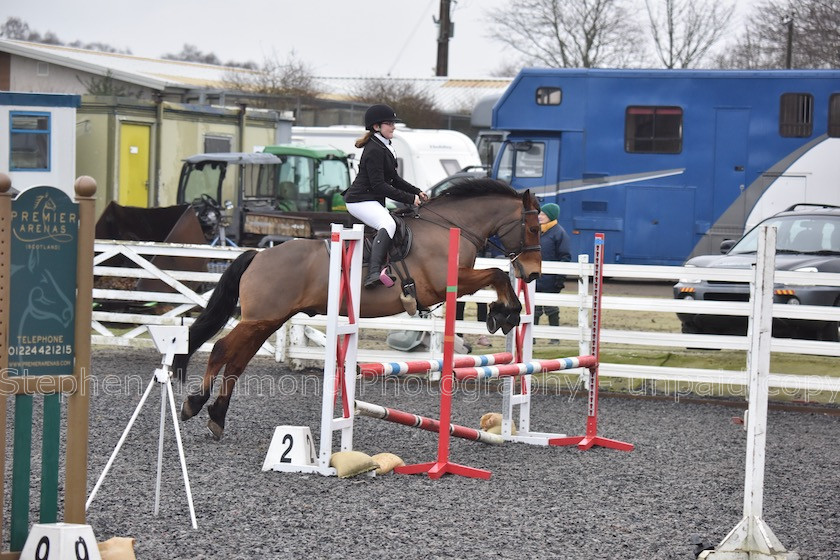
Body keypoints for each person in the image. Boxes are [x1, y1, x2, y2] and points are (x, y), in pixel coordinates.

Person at [343, 103, 429, 288]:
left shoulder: (385, 147)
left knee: (394, 223)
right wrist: (408, 199)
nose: (394, 127)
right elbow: (379, 185)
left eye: (393, 123)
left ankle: (384, 265)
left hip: (370, 199)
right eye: (389, 123)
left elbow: (394, 179)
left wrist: (416, 191)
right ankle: (373, 273)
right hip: (359, 200)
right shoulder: (374, 150)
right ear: (377, 127)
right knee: (387, 223)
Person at [534, 203, 571, 342]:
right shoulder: (536, 231)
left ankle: (554, 337)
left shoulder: (559, 233)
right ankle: (532, 337)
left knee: (551, 308)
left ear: (551, 216)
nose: (540, 217)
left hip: (551, 279)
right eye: (540, 214)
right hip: (536, 277)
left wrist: (559, 279)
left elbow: (565, 257)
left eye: (543, 214)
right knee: (534, 308)